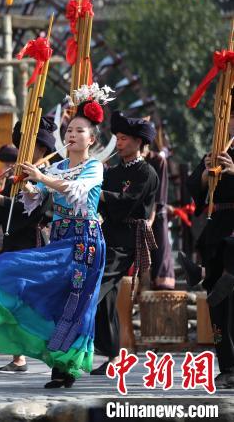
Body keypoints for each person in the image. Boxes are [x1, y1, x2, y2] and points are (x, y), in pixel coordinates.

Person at [0, 91, 109, 389]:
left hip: (85, 242)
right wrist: (27, 183)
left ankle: (67, 367)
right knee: (48, 297)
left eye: (80, 131)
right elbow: (35, 199)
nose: (73, 135)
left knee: (76, 304)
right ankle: (56, 361)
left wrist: (43, 178)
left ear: (92, 139)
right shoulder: (56, 167)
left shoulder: (94, 167)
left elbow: (75, 189)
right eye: (69, 130)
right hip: (59, 240)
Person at [0, 118, 56, 374]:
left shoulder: (47, 174)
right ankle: (18, 357)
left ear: (41, 148)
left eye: (31, 146)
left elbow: (34, 213)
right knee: (12, 299)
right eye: (22, 145)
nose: (24, 151)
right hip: (12, 242)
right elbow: (1, 213)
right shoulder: (16, 175)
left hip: (35, 243)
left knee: (31, 302)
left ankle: (52, 352)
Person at [91, 112, 159, 375]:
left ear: (138, 143)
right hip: (107, 232)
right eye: (117, 138)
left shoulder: (146, 172)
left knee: (97, 285)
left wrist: (96, 190)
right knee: (106, 297)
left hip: (128, 239)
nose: (118, 143)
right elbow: (103, 204)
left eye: (124, 139)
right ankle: (114, 356)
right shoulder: (113, 171)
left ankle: (73, 334)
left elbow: (125, 202)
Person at [186, 106, 234, 388]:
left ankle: (219, 273)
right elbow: (196, 189)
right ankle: (227, 365)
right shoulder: (217, 149)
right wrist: (206, 173)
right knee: (217, 302)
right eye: (231, 117)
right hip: (219, 225)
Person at [144, 146, 175, 290]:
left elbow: (158, 196)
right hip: (139, 216)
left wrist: (151, 217)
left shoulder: (158, 160)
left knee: (159, 253)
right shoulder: (128, 159)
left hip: (156, 215)